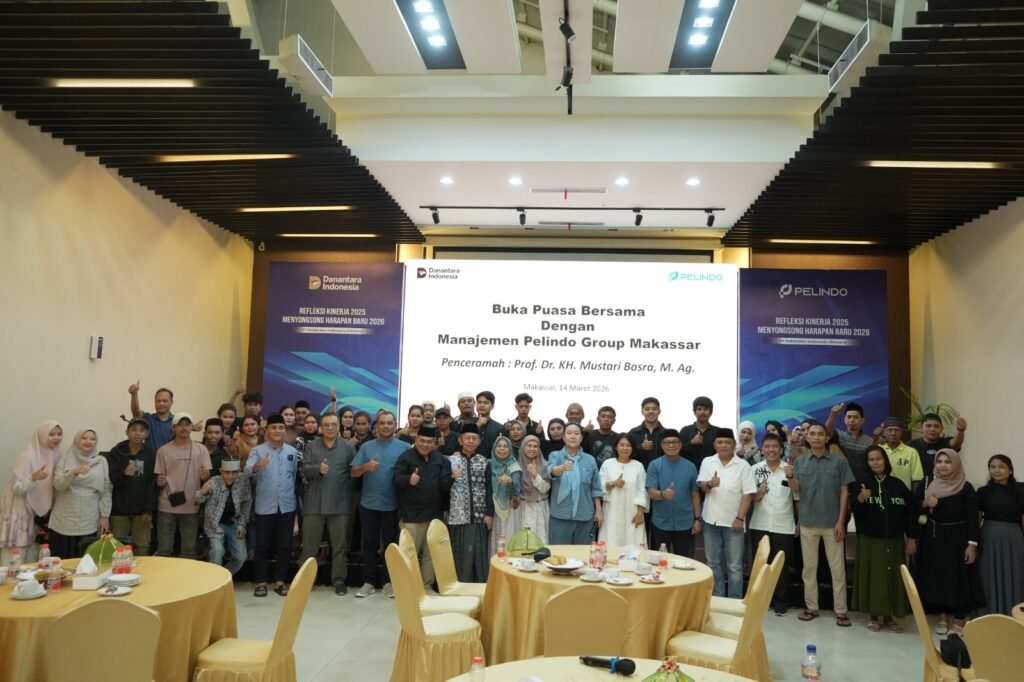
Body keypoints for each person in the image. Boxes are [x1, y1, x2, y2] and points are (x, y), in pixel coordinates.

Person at [789, 421, 856, 626]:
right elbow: (796, 490)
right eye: (812, 434)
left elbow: (844, 492)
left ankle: (841, 611)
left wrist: (841, 521)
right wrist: (790, 476)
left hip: (832, 523)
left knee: (837, 569)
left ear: (827, 438)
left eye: (820, 434)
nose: (816, 437)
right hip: (808, 522)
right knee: (809, 568)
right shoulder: (800, 462)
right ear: (807, 437)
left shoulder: (839, 462)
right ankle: (811, 607)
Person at [850, 446, 918, 632]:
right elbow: (855, 511)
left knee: (892, 578)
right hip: (870, 540)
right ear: (867, 463)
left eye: (878, 459)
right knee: (874, 578)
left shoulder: (898, 484)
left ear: (885, 461)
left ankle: (889, 617)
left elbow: (912, 512)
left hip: (894, 539)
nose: (875, 462)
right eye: (871, 460)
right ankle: (874, 616)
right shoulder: (861, 484)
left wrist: (912, 538)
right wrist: (861, 499)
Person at [915, 449, 984, 634]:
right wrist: (925, 504)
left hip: (958, 538)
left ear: (956, 464)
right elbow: (914, 507)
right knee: (937, 575)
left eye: (948, 462)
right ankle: (942, 616)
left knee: (959, 575)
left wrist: (972, 545)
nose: (943, 465)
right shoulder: (929, 484)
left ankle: (960, 618)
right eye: (939, 461)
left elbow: (973, 517)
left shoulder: (966, 487)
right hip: (934, 537)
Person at [351, 411, 406, 598]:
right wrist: (365, 467)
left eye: (389, 423)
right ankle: (368, 582)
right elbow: (353, 472)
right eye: (382, 423)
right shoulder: (366, 447)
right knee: (369, 544)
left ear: (395, 425)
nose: (386, 426)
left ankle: (388, 582)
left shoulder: (404, 447)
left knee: (391, 545)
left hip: (393, 504)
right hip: (369, 503)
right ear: (377, 426)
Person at [300, 412, 356, 595]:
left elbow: (354, 472)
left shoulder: (347, 447)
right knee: (309, 546)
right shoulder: (311, 446)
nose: (330, 428)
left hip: (339, 503)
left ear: (339, 426)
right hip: (314, 503)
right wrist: (318, 469)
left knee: (340, 546)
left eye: (333, 425)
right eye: (326, 425)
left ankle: (339, 580)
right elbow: (304, 469)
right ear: (320, 428)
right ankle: (306, 581)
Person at [393, 425, 454, 591]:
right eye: (422, 441)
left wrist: (445, 508)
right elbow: (396, 480)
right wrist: (408, 479)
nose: (425, 445)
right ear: (416, 439)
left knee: (430, 554)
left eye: (429, 442)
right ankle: (408, 588)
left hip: (435, 514)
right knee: (409, 553)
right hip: (412, 515)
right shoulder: (406, 457)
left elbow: (444, 488)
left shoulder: (441, 460)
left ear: (434, 443)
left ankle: (426, 586)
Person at [246, 414, 299, 597]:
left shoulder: (292, 451)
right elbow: (246, 471)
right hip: (264, 505)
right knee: (262, 545)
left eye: (281, 428)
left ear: (285, 431)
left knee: (284, 546)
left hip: (287, 505)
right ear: (266, 431)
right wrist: (257, 465)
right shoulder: (257, 451)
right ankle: (261, 582)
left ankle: (280, 581)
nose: (277, 431)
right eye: (273, 427)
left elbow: (293, 476)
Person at [698, 428, 755, 599]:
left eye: (727, 442)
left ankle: (735, 601)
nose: (723, 445)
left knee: (735, 566)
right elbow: (702, 486)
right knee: (712, 563)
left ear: (734, 444)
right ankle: (717, 598)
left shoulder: (743, 465)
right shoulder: (708, 462)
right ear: (714, 444)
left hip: (734, 523)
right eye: (720, 442)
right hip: (711, 521)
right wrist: (710, 484)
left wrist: (740, 518)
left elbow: (748, 494)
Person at [1, 421, 63, 565]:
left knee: (33, 558)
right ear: (42, 436)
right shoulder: (27, 456)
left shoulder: (57, 455)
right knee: (15, 557)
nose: (56, 438)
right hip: (20, 509)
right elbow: (16, 488)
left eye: (59, 434)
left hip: (36, 515)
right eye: (51, 434)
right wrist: (32, 477)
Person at [749, 432, 796, 615]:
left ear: (781, 449)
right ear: (762, 449)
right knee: (760, 565)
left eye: (775, 446)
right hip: (759, 523)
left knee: (780, 566)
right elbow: (750, 497)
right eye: (767, 446)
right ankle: (760, 601)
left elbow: (798, 494)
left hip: (783, 524)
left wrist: (791, 477)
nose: (771, 450)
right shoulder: (755, 469)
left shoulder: (790, 469)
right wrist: (759, 493)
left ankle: (780, 602)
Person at [48, 429, 112, 559]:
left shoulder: (101, 461)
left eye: (92, 439)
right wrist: (74, 472)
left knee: (86, 562)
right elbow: (58, 485)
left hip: (89, 519)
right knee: (63, 561)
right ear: (77, 440)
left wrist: (105, 516)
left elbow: (106, 490)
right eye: (84, 438)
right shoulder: (65, 458)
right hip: (64, 520)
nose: (88, 441)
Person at [155, 413, 211, 559]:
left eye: (187, 424)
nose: (184, 428)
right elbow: (158, 478)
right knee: (164, 550)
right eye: (180, 424)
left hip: (191, 505)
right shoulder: (163, 450)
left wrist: (205, 476)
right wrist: (159, 481)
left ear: (192, 427)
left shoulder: (201, 449)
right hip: (166, 505)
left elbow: (207, 476)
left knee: (188, 551)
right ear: (173, 428)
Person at [976, 454, 1024, 616]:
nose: (997, 470)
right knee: (988, 574)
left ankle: (1014, 614)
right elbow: (977, 519)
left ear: (1010, 470)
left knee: (1015, 573)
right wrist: (974, 542)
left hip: (1013, 537)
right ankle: (990, 614)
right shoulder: (983, 492)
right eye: (993, 467)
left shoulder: (1020, 491)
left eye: (1001, 467)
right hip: (989, 537)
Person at [104, 418, 157, 556]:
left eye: (142, 430)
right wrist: (124, 474)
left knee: (143, 548)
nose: (137, 433)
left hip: (142, 512)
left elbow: (152, 484)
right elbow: (111, 480)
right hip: (119, 511)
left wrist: (148, 510)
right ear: (127, 432)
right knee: (117, 548)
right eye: (133, 430)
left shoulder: (151, 454)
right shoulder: (116, 452)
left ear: (147, 434)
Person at [447, 424, 493, 581]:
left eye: (474, 438)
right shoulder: (451, 460)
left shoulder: (484, 461)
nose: (471, 441)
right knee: (459, 556)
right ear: (460, 440)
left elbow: (489, 488)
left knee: (479, 557)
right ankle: (459, 588)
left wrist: (489, 514)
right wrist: (451, 477)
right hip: (457, 516)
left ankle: (480, 588)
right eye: (467, 438)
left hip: (479, 516)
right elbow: (443, 486)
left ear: (479, 441)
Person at [548, 423, 603, 544]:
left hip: (585, 515)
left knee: (584, 553)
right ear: (563, 437)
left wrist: (599, 510)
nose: (573, 436)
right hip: (560, 515)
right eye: (569, 433)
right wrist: (562, 468)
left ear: (581, 438)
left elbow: (595, 487)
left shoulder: (590, 460)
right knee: (559, 553)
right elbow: (550, 471)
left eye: (576, 433)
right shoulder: (555, 455)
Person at [195, 458, 251, 576]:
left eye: (234, 472)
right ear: (221, 471)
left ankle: (222, 578)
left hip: (235, 522)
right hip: (215, 525)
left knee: (241, 557)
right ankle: (213, 581)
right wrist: (203, 492)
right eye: (227, 472)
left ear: (239, 471)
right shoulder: (213, 482)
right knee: (217, 551)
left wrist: (242, 525)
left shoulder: (243, 480)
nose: (230, 476)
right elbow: (197, 500)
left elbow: (247, 503)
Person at [598, 434, 649, 547]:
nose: (625, 448)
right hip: (611, 511)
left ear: (632, 448)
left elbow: (642, 491)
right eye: (621, 445)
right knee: (610, 542)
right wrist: (613, 483)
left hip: (633, 512)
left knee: (634, 544)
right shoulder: (607, 464)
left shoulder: (638, 466)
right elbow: (599, 486)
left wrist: (640, 513)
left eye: (628, 445)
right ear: (616, 447)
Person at [825, 402, 876, 482]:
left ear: (862, 420)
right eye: (849, 417)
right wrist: (833, 415)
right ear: (844, 419)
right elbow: (825, 433)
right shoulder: (839, 435)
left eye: (856, 417)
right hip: (841, 482)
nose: (852, 420)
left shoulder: (869, 441)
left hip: (862, 483)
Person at [909, 412, 967, 481]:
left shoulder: (946, 442)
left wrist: (960, 430)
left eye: (936, 426)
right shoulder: (911, 445)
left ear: (942, 429)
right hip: (919, 484)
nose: (932, 429)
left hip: (945, 483)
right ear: (921, 428)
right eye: (928, 426)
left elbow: (956, 443)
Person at [489, 435, 522, 557]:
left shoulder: (514, 465)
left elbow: (517, 489)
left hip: (510, 509)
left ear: (510, 449)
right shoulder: (489, 464)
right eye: (499, 446)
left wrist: (510, 481)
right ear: (494, 448)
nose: (502, 449)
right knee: (494, 539)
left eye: (505, 446)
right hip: (492, 509)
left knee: (508, 537)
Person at [518, 435, 551, 544]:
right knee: (523, 542)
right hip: (522, 508)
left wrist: (535, 474)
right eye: (529, 446)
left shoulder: (545, 465)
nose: (532, 449)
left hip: (540, 507)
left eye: (535, 446)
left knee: (541, 541)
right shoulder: (516, 466)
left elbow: (545, 489)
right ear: (523, 447)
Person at [879, 417, 924, 491]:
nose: (893, 433)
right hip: (882, 494)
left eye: (897, 430)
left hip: (904, 495)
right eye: (890, 430)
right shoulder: (879, 450)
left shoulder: (911, 452)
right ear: (884, 432)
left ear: (902, 432)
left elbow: (916, 479)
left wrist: (913, 497)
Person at [129, 381, 176, 451]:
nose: (161, 403)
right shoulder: (148, 418)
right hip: (149, 457)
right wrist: (134, 394)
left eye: (165, 401)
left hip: (169, 457)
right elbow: (136, 411)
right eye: (158, 401)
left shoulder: (176, 422)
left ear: (171, 402)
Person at [681, 396, 720, 470]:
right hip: (689, 471)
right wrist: (691, 443)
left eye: (705, 409)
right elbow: (678, 452)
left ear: (711, 412)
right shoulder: (685, 431)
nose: (702, 412)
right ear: (694, 412)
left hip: (712, 472)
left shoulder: (718, 431)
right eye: (699, 409)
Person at [627, 397, 666, 468]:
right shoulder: (633, 433)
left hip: (661, 472)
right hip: (638, 473)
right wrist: (641, 447)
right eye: (647, 409)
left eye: (654, 409)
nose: (651, 411)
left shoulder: (666, 434)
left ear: (659, 411)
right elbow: (625, 455)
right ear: (642, 412)